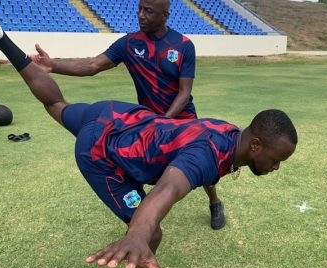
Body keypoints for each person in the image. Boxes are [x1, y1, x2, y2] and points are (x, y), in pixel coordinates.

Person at [0, 4, 298, 268]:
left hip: (116, 115)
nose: (276, 167)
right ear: (255, 146)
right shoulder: (206, 157)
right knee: (153, 233)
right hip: (102, 153)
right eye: (277, 160)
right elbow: (167, 188)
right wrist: (137, 232)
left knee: (57, 104)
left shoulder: (229, 131)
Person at [30, 0, 228, 230]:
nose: (141, 15)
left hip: (182, 120)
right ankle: (141, 210)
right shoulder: (129, 43)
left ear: (165, 15)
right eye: (140, 9)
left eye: (149, 11)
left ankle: (214, 201)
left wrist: (164, 120)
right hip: (145, 122)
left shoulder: (183, 45)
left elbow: (184, 92)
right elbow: (93, 65)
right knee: (140, 162)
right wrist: (53, 65)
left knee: (202, 163)